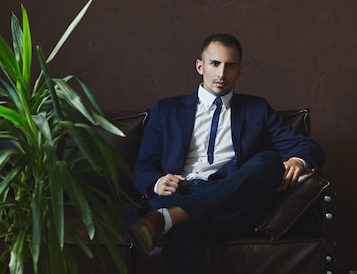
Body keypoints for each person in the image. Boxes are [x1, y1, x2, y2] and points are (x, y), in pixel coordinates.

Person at [131, 33, 325, 274]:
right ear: (200, 66)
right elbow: (143, 166)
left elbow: (310, 147)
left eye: (230, 66)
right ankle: (176, 216)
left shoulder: (257, 109)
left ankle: (169, 218)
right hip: (178, 192)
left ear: (239, 71)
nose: (222, 73)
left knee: (269, 161)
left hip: (230, 203)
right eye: (215, 64)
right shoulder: (167, 109)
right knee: (184, 226)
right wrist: (158, 181)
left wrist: (297, 160)